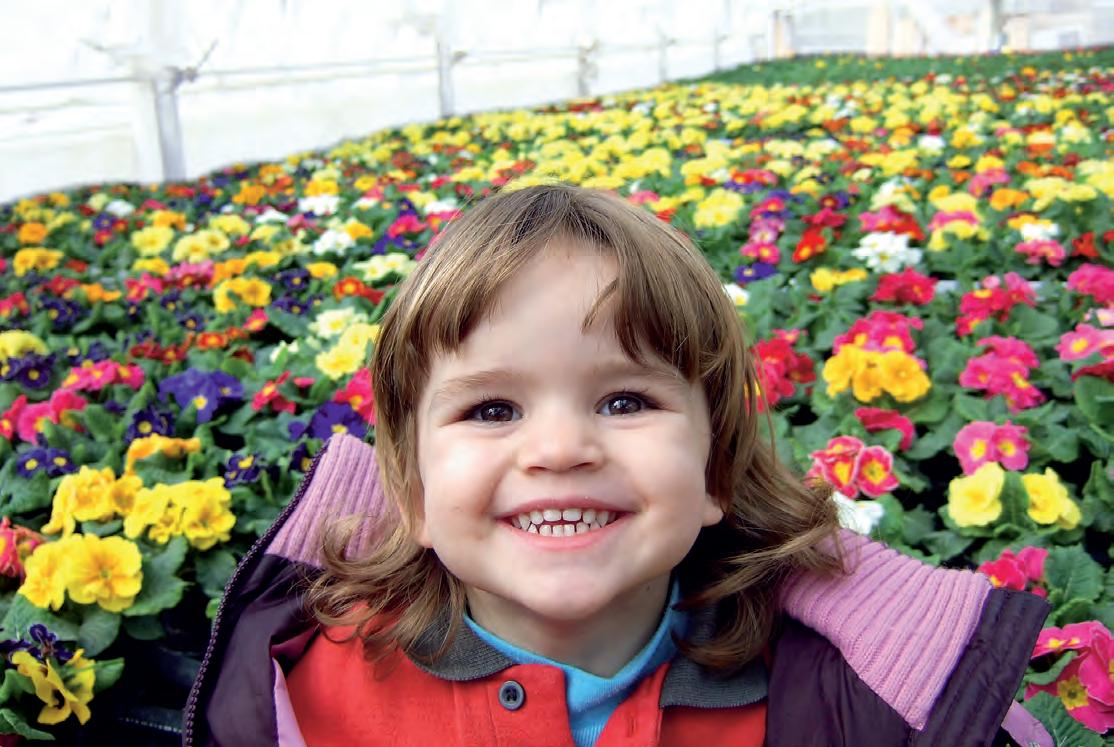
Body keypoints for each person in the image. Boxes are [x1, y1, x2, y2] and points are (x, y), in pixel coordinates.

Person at [184, 184, 1052, 746]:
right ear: (410, 489)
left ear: (716, 468)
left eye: (626, 401)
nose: (561, 449)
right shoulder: (297, 697)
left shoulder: (856, 704)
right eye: (492, 409)